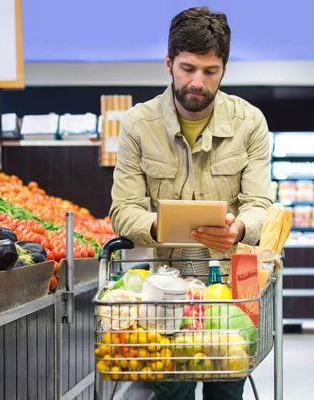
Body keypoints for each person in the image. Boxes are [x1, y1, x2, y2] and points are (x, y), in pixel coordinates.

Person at [108, 6, 273, 400]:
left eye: (210, 71)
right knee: (171, 389)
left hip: (230, 291)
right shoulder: (138, 124)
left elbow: (260, 203)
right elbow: (123, 209)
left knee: (227, 387)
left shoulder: (250, 123)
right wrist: (157, 226)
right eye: (187, 68)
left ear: (224, 69)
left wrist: (238, 228)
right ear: (169, 63)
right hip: (163, 292)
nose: (197, 82)